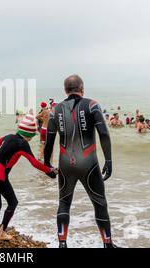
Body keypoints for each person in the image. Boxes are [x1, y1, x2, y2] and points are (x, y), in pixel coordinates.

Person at [44, 74, 118, 248]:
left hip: (65, 164)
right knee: (99, 202)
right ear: (82, 89)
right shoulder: (92, 105)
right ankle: (107, 244)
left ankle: (62, 244)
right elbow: (104, 134)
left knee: (64, 202)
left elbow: (48, 141)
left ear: (65, 90)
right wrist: (108, 160)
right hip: (89, 163)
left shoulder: (55, 110)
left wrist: (47, 164)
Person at [0, 114, 57, 242]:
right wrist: (50, 170)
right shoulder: (23, 144)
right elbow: (35, 163)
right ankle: (2, 232)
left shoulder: (8, 137)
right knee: (13, 202)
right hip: (0, 178)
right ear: (30, 134)